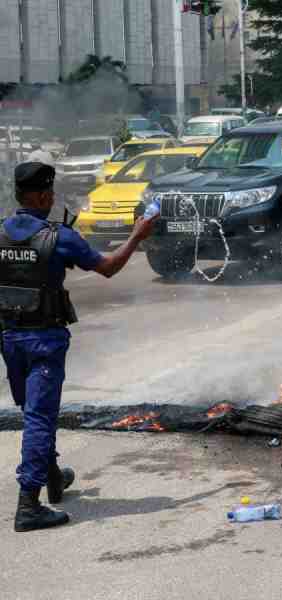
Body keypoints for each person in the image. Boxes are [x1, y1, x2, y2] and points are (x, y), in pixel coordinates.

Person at [3, 162, 156, 532]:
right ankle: (29, 505)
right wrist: (138, 235)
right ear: (41, 195)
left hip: (10, 337)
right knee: (40, 416)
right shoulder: (59, 237)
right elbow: (109, 267)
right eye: (50, 193)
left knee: (35, 409)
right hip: (45, 340)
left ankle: (53, 476)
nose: (53, 199)